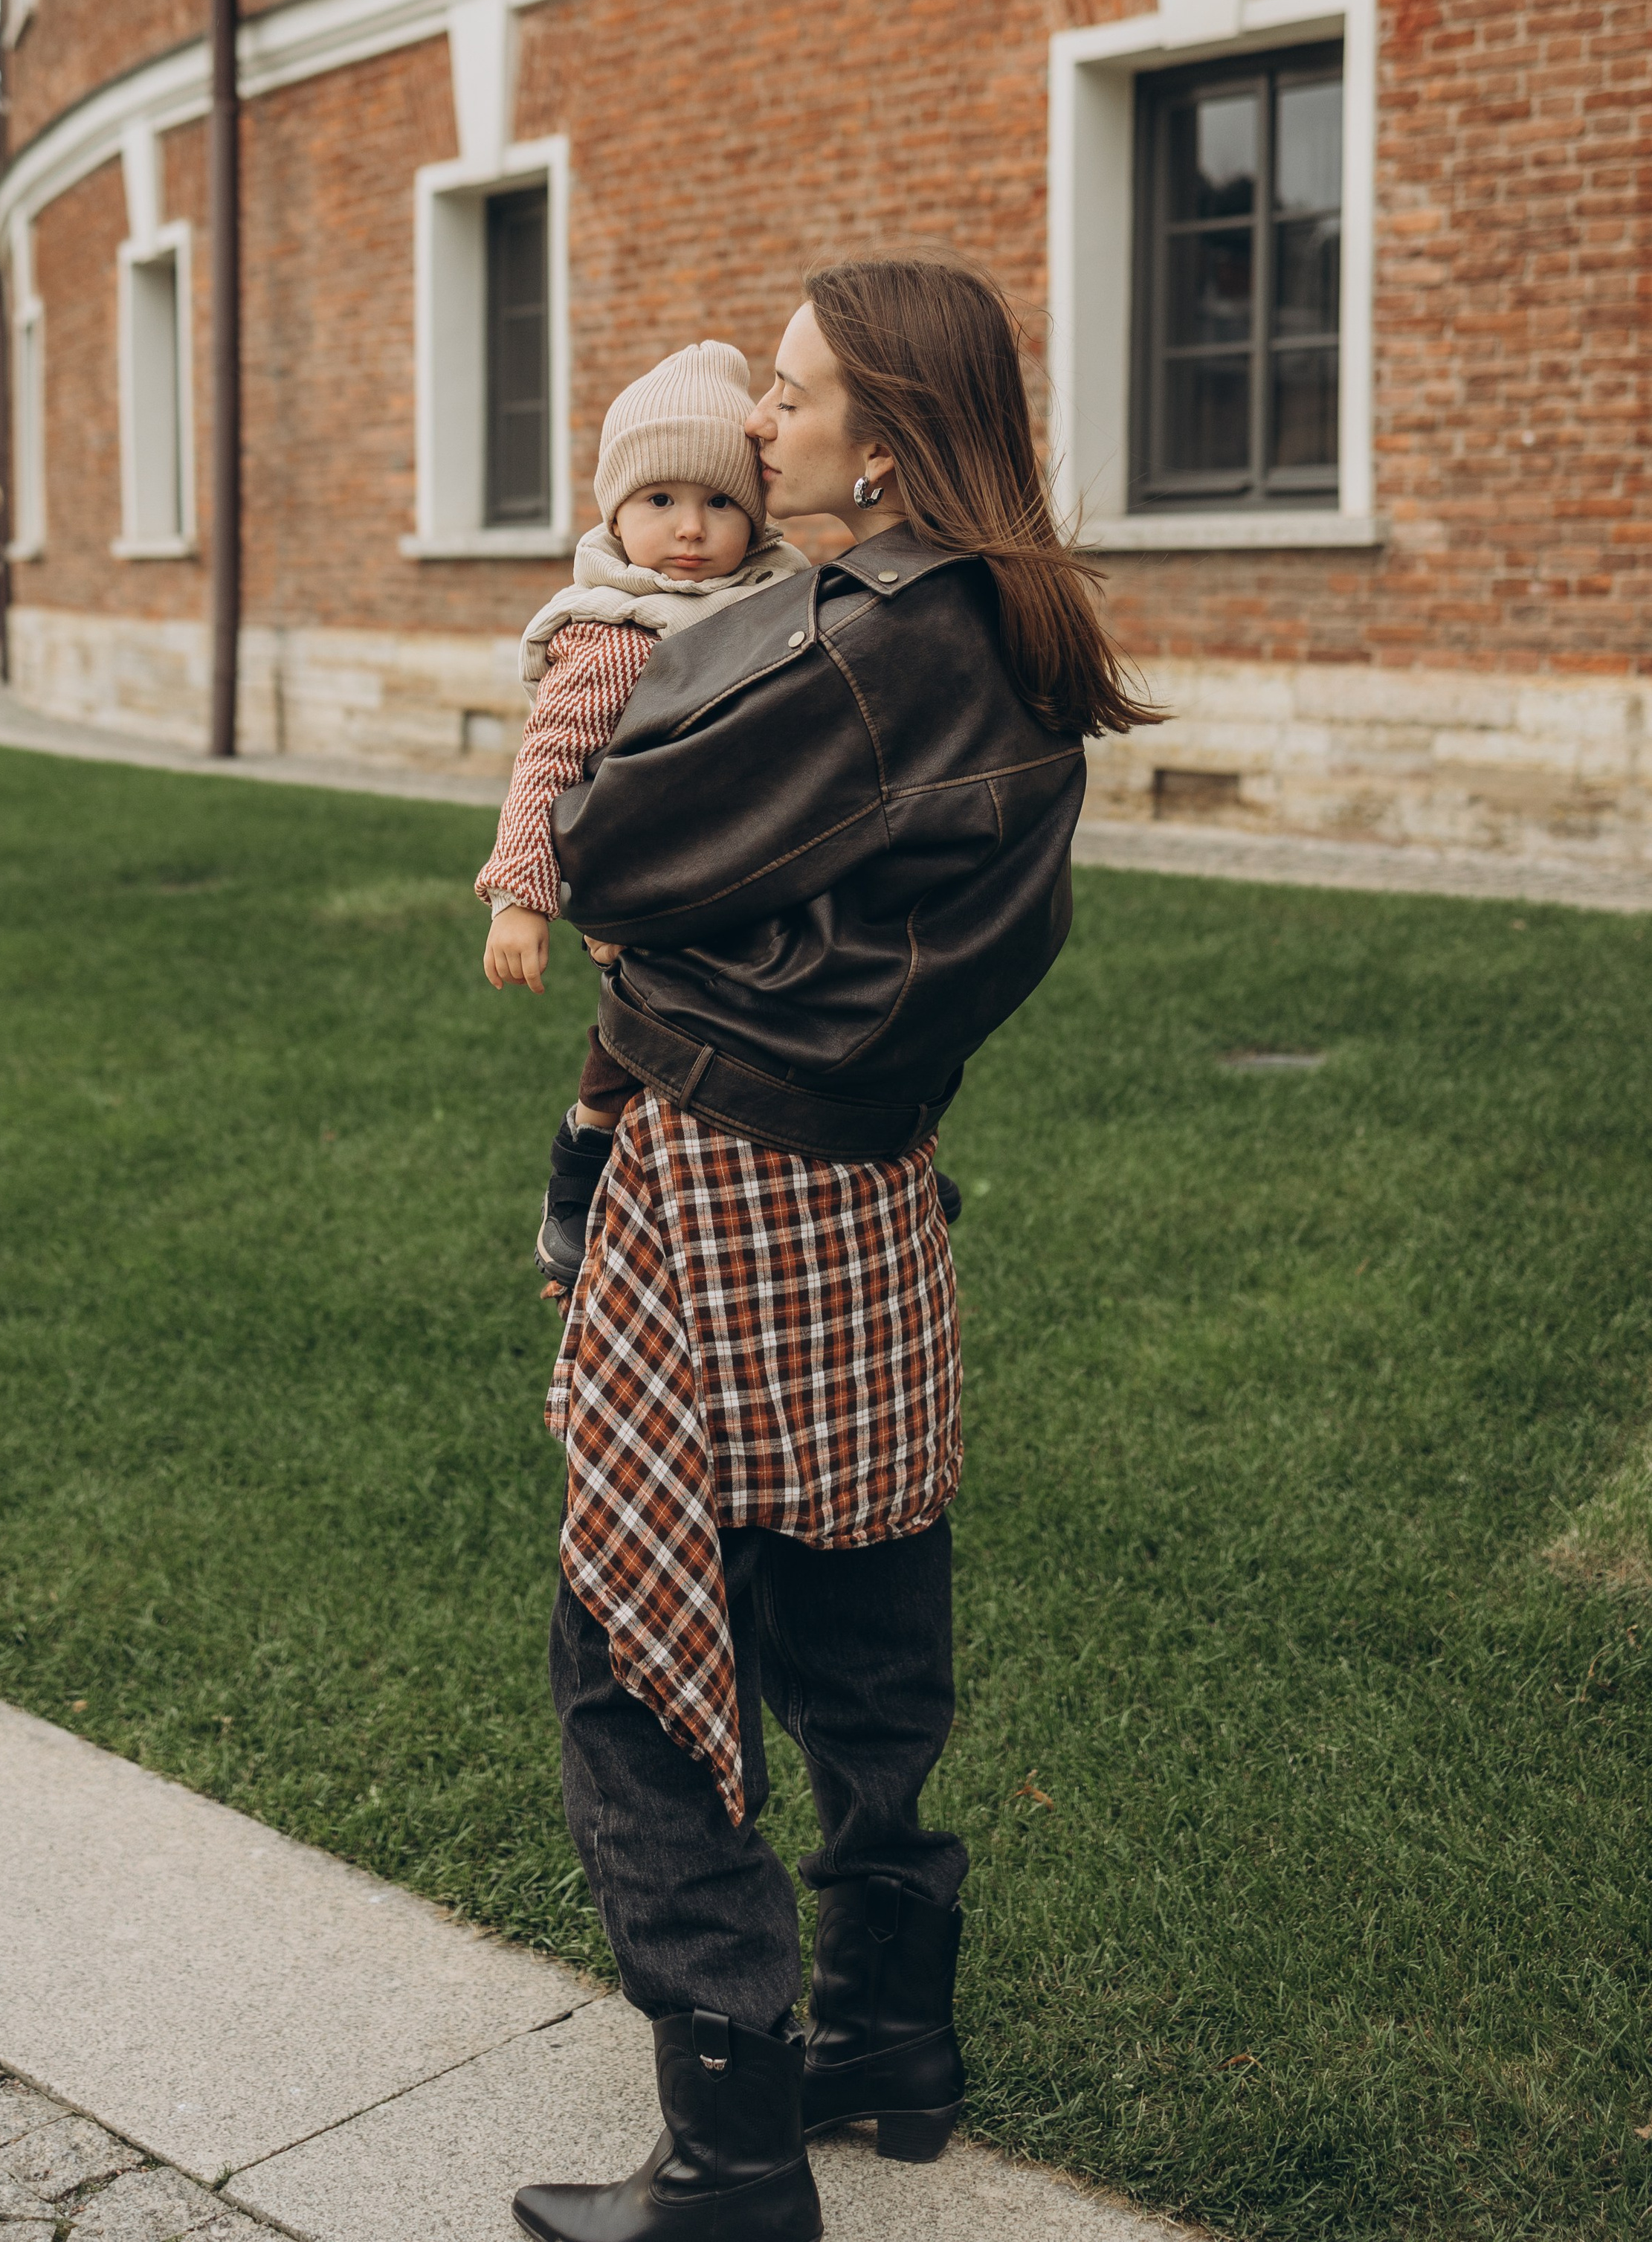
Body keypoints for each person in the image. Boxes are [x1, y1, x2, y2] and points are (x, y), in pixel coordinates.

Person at [508, 255, 1159, 2242]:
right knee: (866, 1622)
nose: (758, 424)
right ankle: (888, 2042)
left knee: (631, 1644)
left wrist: (654, 922)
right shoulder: (1023, 626)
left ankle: (723, 2151)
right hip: (878, 1186)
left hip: (725, 1180)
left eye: (789, 396)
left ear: (884, 432)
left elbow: (609, 845)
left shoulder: (857, 634)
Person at [476, 341, 808, 1285]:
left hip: (767, 865)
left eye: (719, 504)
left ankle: (882, 1157)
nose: (691, 529)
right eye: (660, 502)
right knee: (643, 1022)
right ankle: (580, 1165)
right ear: (615, 514)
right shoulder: (616, 634)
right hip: (657, 882)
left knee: (818, 1001)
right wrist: (522, 896)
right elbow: (548, 764)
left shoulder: (788, 603)